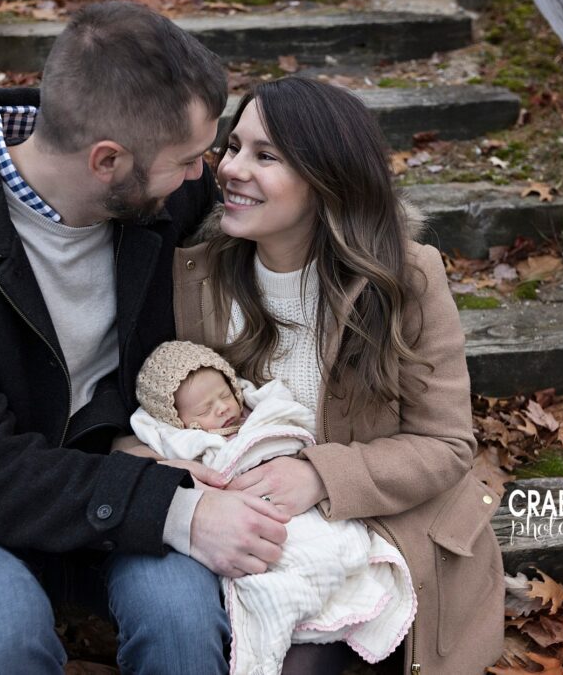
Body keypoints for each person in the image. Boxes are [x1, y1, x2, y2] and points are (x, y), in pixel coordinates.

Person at [0, 2, 292, 674]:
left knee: (180, 620)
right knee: (0, 634)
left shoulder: (154, 185)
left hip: (128, 481)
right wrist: (174, 509)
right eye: (190, 160)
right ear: (107, 161)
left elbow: (302, 186)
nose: (208, 176)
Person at [167, 77, 506, 673]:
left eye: (265, 156)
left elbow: (447, 445)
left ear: (328, 180)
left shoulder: (406, 279)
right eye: (234, 146)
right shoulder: (201, 277)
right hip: (249, 531)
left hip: (376, 527)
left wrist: (320, 475)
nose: (231, 168)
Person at [130, 339, 417, 675]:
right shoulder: (183, 443)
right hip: (245, 523)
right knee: (269, 583)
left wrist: (318, 471)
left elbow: (293, 421)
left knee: (339, 548)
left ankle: (343, 587)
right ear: (177, 421)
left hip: (309, 505)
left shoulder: (264, 409)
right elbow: (145, 444)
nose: (222, 409)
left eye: (224, 395)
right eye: (204, 411)